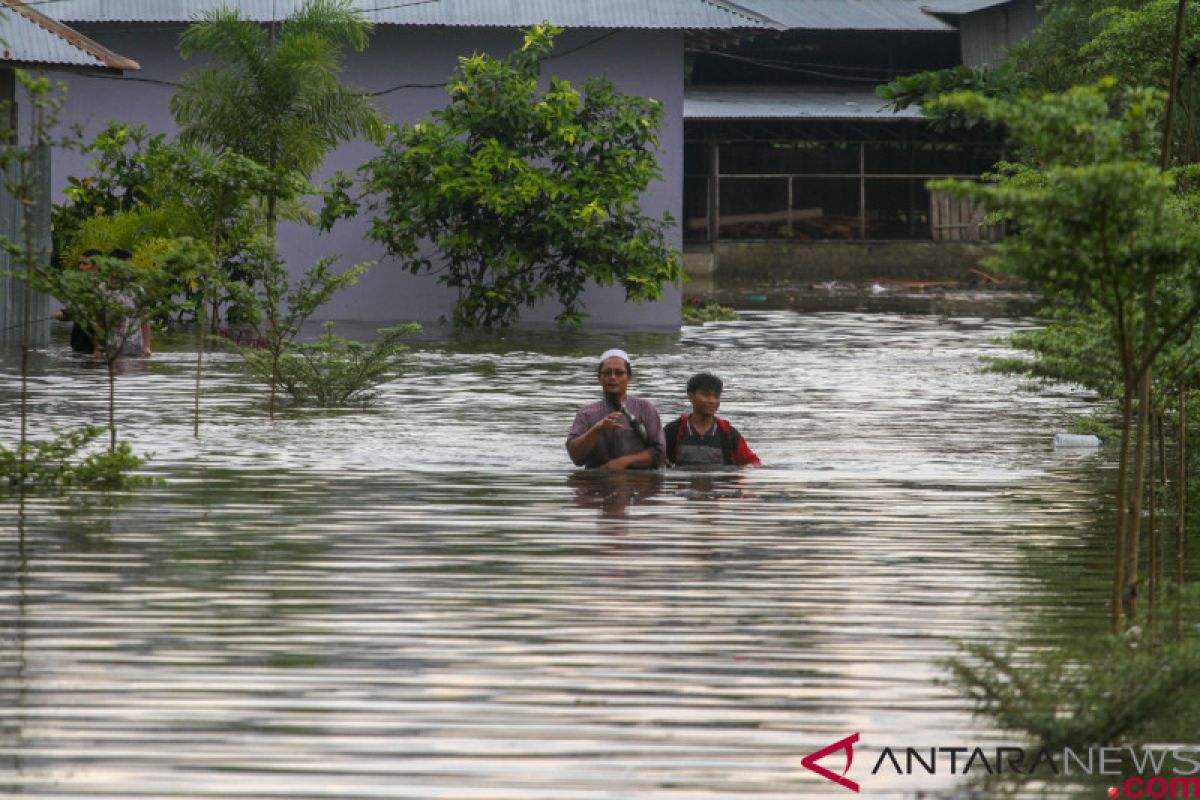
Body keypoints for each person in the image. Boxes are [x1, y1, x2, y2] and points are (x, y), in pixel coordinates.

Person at [566, 348, 666, 470]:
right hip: (596, 484)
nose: (612, 377)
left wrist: (624, 462)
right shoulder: (586, 414)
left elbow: (660, 453)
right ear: (599, 378)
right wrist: (596, 429)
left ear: (629, 378)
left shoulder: (645, 409)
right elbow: (575, 457)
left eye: (619, 373)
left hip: (636, 484)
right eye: (607, 373)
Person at [664, 372, 761, 467]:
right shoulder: (673, 431)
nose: (712, 401)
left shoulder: (728, 434)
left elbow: (753, 462)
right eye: (706, 395)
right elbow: (656, 460)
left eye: (716, 396)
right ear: (691, 396)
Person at [50, 249, 102, 353]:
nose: (80, 267)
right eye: (80, 263)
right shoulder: (84, 286)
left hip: (93, 349)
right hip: (79, 347)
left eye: (84, 264)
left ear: (96, 266)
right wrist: (64, 316)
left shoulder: (102, 288)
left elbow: (90, 310)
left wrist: (65, 313)